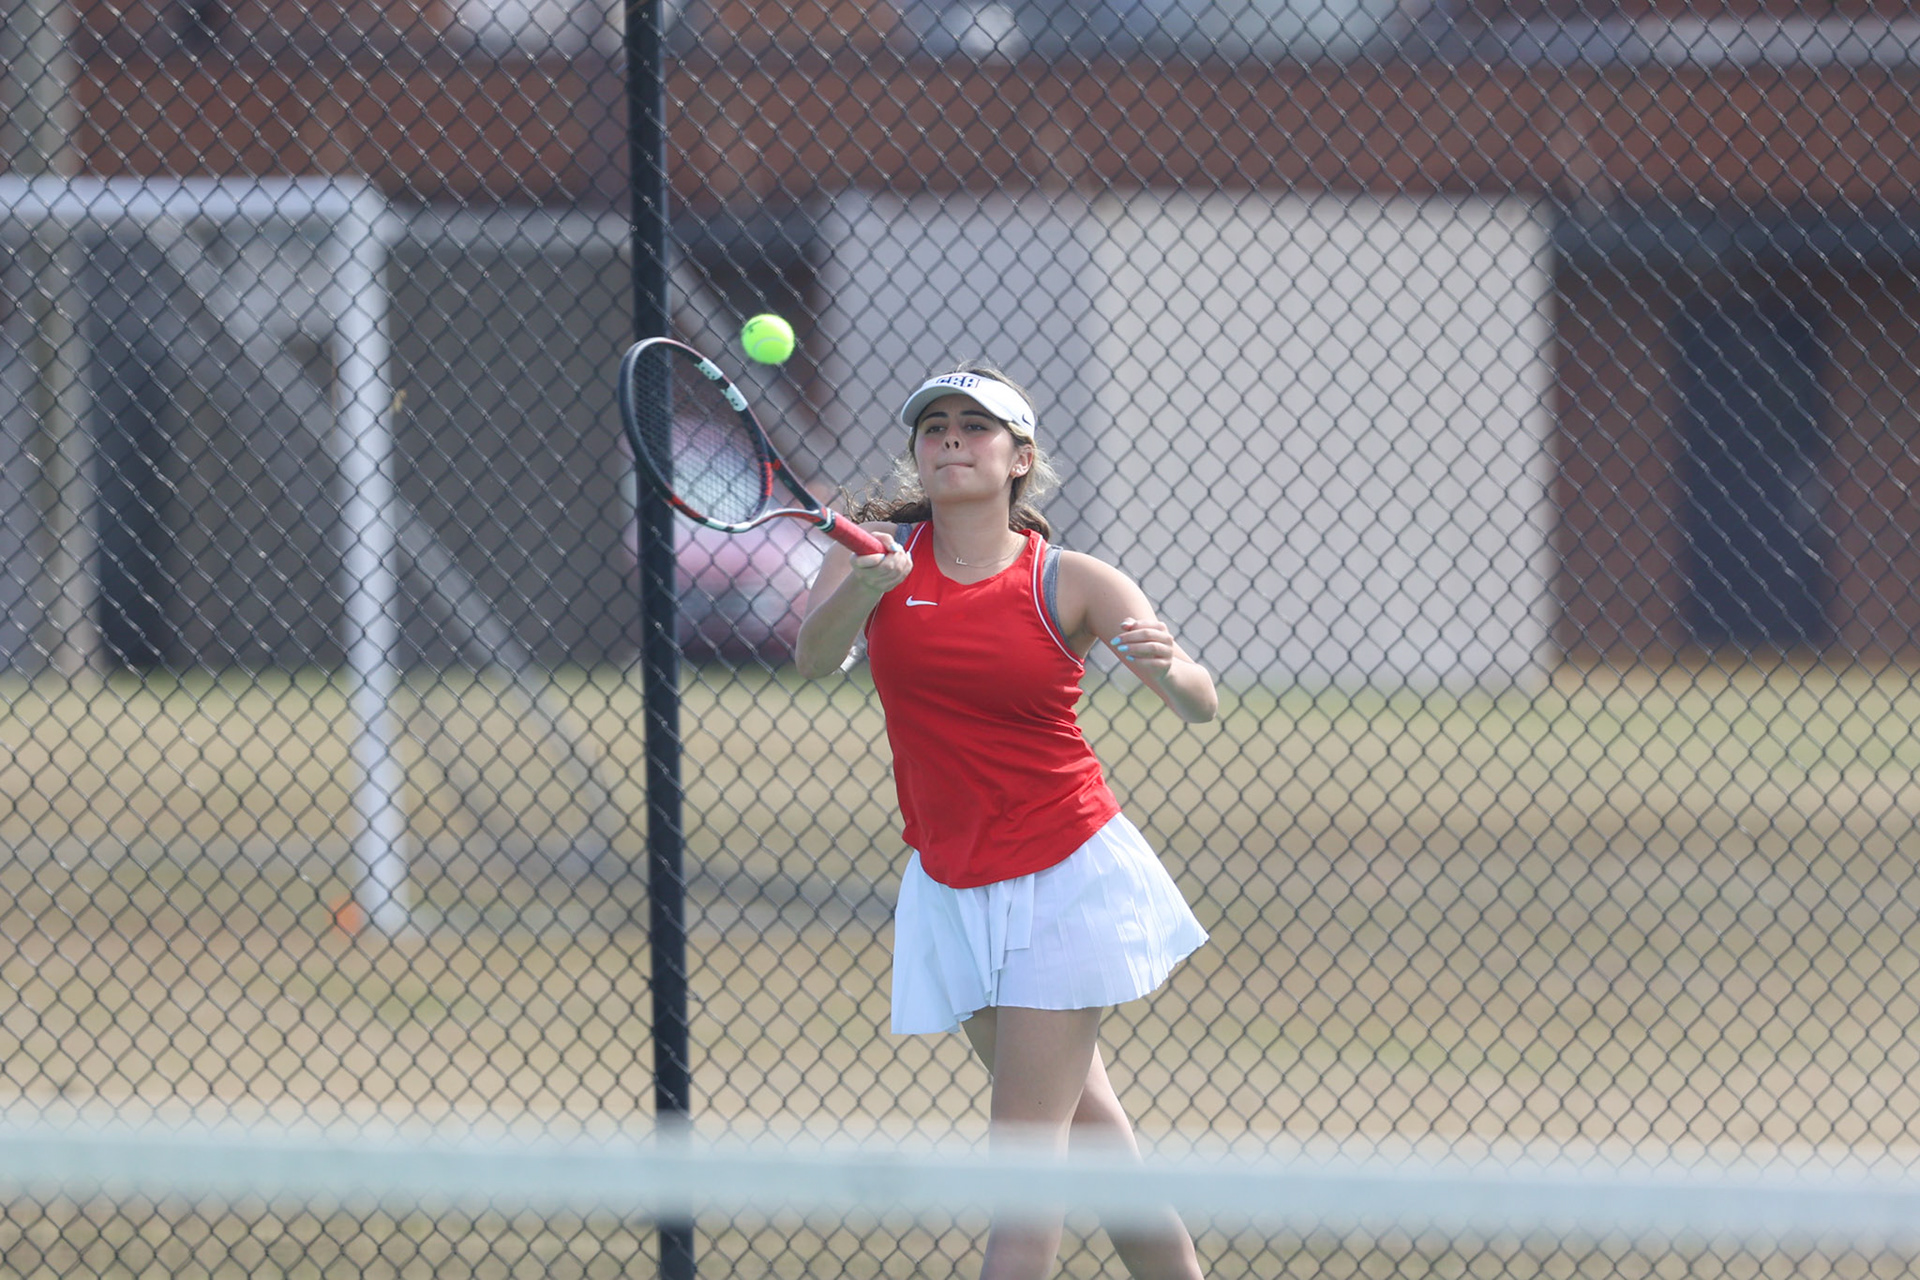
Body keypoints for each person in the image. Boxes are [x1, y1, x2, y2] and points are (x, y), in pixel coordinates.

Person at [795, 361, 1217, 1280]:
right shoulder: (873, 558)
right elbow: (808, 657)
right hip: (950, 880)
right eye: (935, 427)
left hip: (1067, 874)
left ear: (1019, 458)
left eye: (974, 427)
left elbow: (1200, 702)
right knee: (1096, 1141)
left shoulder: (1071, 579)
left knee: (1023, 1179)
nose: (951, 439)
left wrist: (1170, 665)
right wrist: (865, 588)